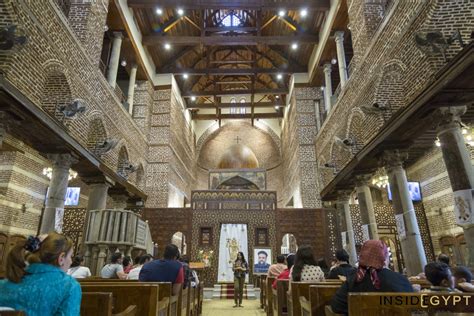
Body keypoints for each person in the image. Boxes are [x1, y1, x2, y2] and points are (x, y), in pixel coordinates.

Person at [0, 232, 81, 315]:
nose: (71, 262)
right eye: (70, 256)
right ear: (61, 258)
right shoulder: (69, 286)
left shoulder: (4, 283)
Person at [331, 240, 413, 315]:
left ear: (363, 256)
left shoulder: (354, 280)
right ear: (384, 257)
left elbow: (336, 306)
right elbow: (412, 306)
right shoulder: (401, 280)